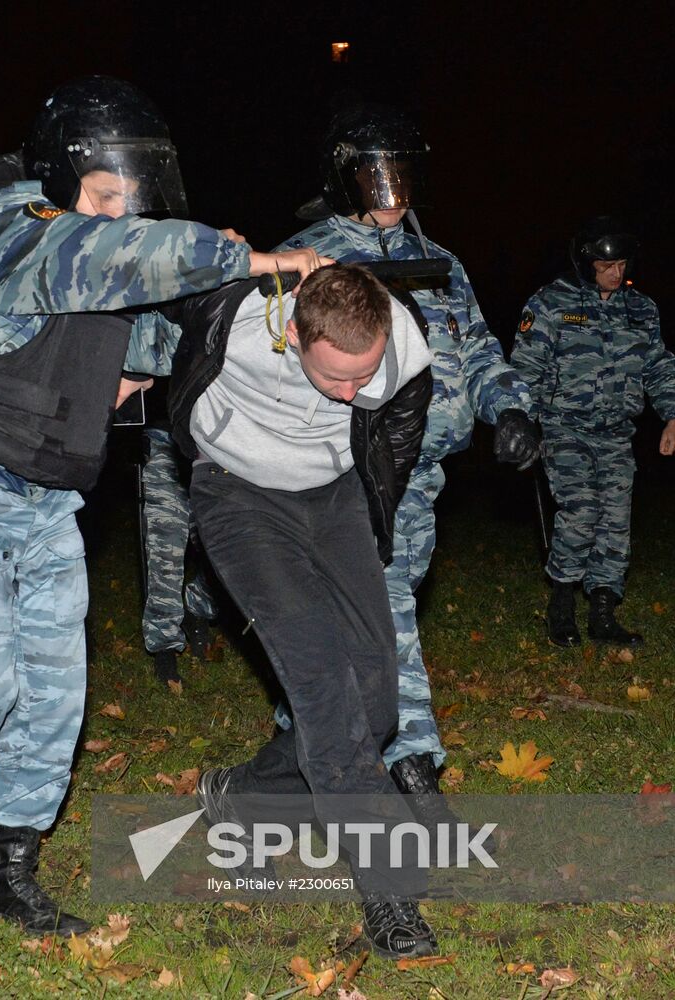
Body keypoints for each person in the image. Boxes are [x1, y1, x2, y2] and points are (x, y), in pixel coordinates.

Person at [0, 75, 327, 935]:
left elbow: (147, 338)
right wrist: (241, 256)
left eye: (127, 204)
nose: (115, 217)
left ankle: (10, 870)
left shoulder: (104, 248)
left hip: (47, 496)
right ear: (59, 175)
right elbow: (101, 259)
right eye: (102, 196)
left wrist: (234, 314)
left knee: (51, 700)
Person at [277, 104, 540, 825]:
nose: (391, 195)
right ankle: (413, 763)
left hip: (423, 471)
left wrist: (508, 408)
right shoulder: (306, 257)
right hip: (347, 466)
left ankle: (298, 735)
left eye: (401, 176)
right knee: (384, 607)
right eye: (374, 177)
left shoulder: (440, 259)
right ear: (342, 178)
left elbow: (479, 347)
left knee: (356, 614)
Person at [166, 262, 436, 957]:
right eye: (333, 378)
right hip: (238, 493)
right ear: (291, 334)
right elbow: (144, 301)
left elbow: (397, 435)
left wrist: (373, 514)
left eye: (362, 377)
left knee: (375, 705)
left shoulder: (404, 344)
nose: (351, 392)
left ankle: (241, 793)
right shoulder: (236, 326)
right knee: (323, 691)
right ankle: (387, 896)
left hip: (333, 495)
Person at [511, 218, 675, 646]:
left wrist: (674, 416)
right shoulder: (552, 302)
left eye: (622, 264)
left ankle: (604, 616)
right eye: (607, 265)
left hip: (617, 434)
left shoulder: (640, 308)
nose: (616, 273)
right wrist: (520, 422)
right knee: (582, 513)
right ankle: (563, 607)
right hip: (564, 428)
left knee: (614, 524)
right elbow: (525, 368)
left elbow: (658, 365)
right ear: (586, 262)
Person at [139, 421, 219, 684]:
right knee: (166, 551)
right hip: (166, 441)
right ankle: (164, 645)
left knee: (224, 550)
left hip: (216, 445)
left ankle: (199, 606)